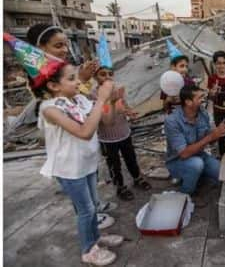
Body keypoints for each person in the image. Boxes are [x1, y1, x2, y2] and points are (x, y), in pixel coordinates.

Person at [5, 32, 125, 266]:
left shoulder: (78, 100)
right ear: (52, 85)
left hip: (87, 163)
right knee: (86, 211)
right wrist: (101, 100)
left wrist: (110, 101)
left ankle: (96, 238)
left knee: (93, 207)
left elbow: (106, 123)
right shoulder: (50, 108)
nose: (79, 81)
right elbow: (84, 132)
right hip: (69, 169)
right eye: (72, 78)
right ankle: (88, 250)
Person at [164, 84, 225, 196]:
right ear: (188, 102)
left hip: (199, 155)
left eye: (203, 96)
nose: (203, 100)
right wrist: (211, 137)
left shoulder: (202, 113)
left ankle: (197, 176)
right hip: (177, 161)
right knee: (196, 165)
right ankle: (185, 194)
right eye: (200, 98)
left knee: (222, 173)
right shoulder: (172, 121)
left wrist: (218, 134)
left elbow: (209, 139)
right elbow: (184, 154)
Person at [93, 64, 151, 201]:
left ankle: (137, 178)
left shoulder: (118, 90)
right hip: (107, 138)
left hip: (124, 133)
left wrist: (130, 112)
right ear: (95, 77)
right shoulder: (94, 95)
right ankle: (120, 187)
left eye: (110, 74)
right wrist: (111, 103)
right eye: (103, 74)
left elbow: (124, 105)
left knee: (131, 158)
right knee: (114, 165)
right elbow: (102, 118)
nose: (107, 77)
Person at [26, 23, 98, 97]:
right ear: (40, 48)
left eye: (66, 45)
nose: (65, 50)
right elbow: (64, 103)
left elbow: (84, 97)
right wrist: (82, 79)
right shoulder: (38, 76)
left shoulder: (64, 67)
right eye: (58, 46)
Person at [161, 40, 195, 114]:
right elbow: (165, 108)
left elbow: (196, 104)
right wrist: (167, 100)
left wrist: (184, 99)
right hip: (174, 120)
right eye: (181, 66)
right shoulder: (165, 84)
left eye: (186, 66)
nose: (185, 69)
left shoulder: (190, 83)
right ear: (173, 67)